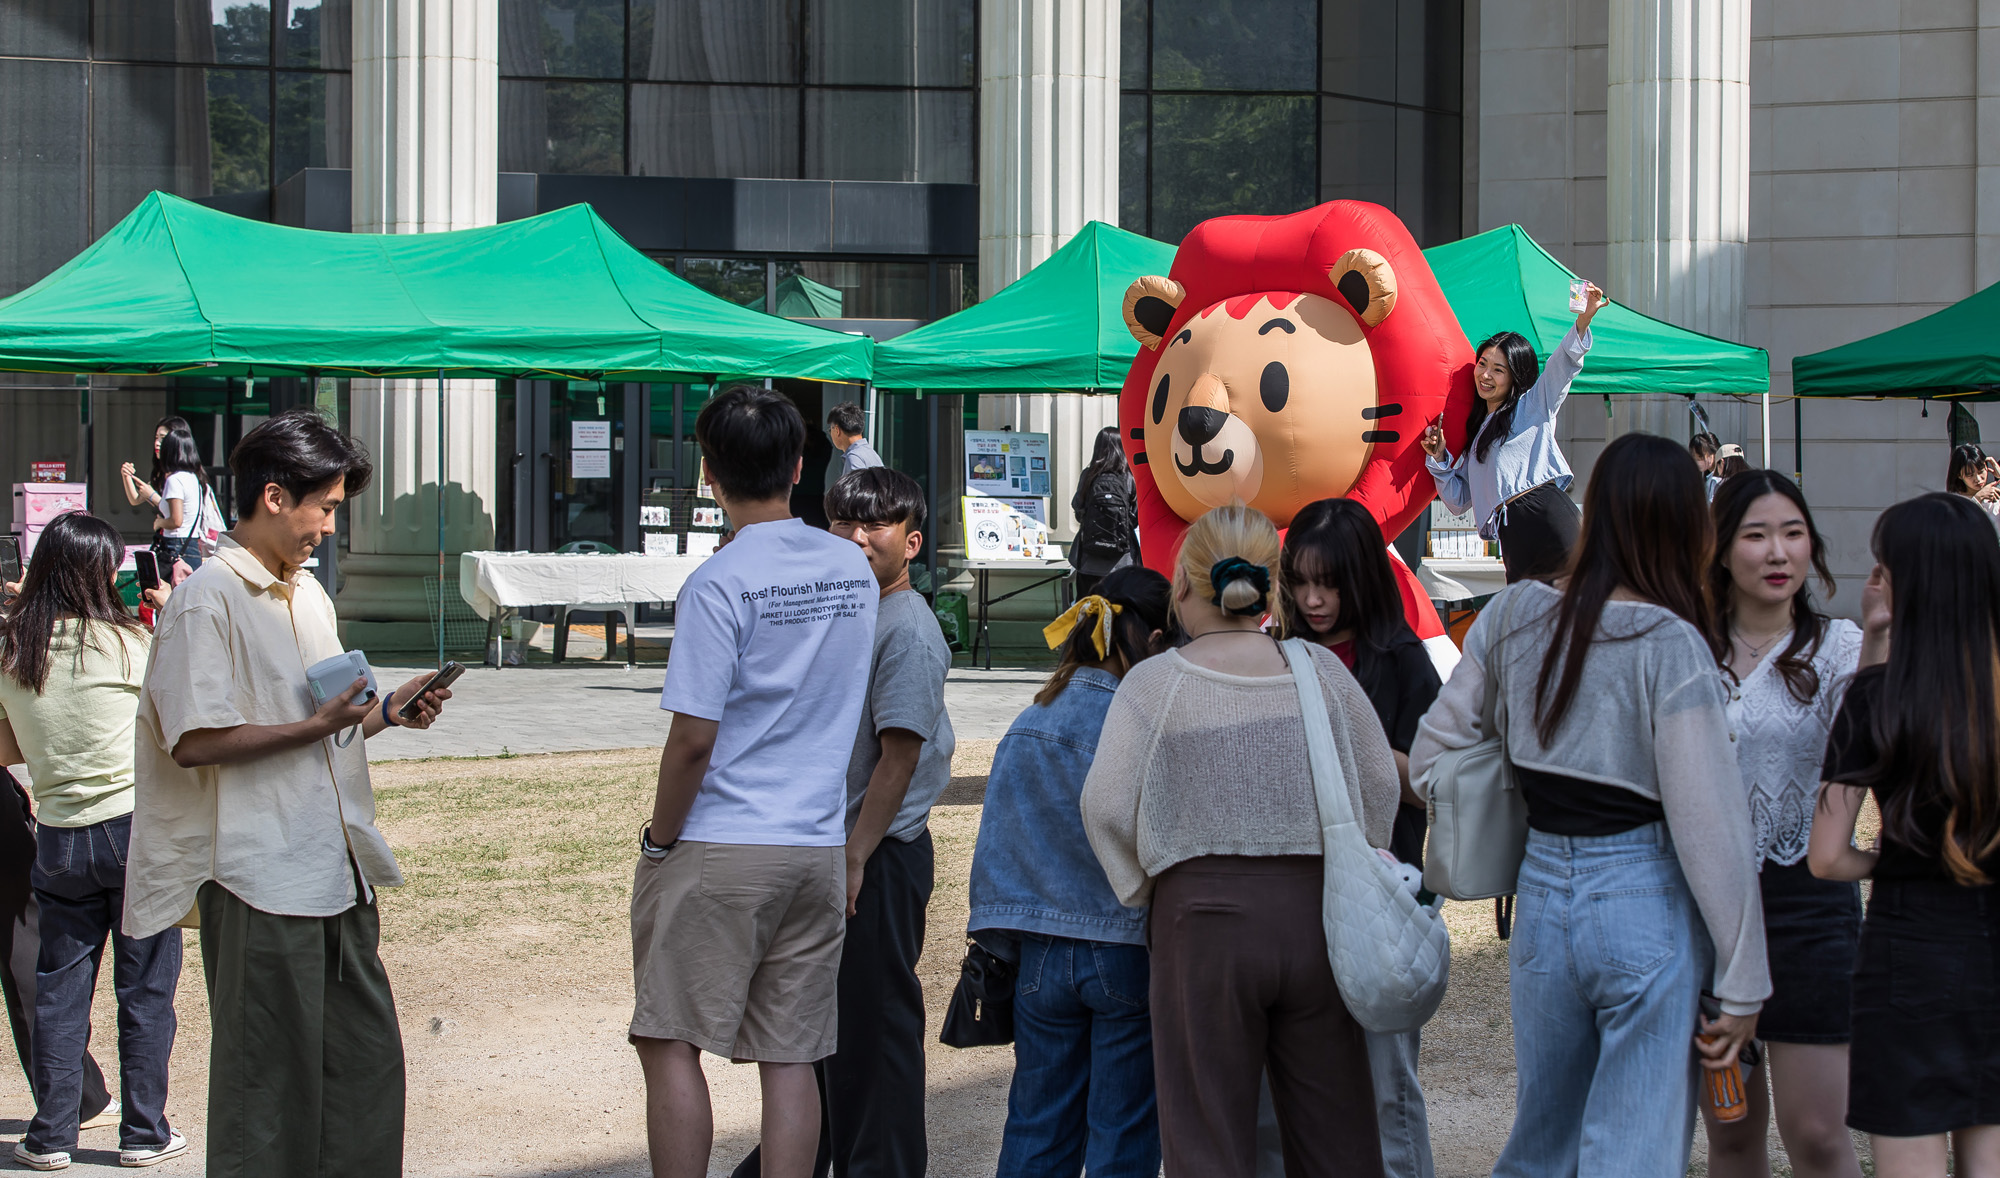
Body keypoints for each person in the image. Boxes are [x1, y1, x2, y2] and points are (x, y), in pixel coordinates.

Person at [1411, 431, 1768, 1178]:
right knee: (1630, 1149)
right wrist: (1742, 977)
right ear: (1684, 523)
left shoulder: (1512, 617)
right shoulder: (1670, 642)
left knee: (1544, 1141)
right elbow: (1710, 827)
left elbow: (1432, 756)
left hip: (1542, 891)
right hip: (1646, 890)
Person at [123, 408, 454, 1178]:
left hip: (336, 868)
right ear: (275, 497)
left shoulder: (307, 595)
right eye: (327, 507)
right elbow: (193, 740)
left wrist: (386, 713)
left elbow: (327, 719)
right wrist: (318, 727)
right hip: (257, 879)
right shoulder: (209, 599)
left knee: (364, 1077)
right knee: (267, 1095)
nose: (330, 528)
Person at [1082, 505, 1402, 1177]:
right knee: (1336, 1131)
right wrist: (1357, 855)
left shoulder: (1154, 683)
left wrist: (1145, 886)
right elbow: (1379, 779)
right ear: (1273, 586)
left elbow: (1104, 804)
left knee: (1207, 1137)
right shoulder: (1319, 670)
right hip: (1317, 914)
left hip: (1199, 921)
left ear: (1183, 588)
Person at [634, 385, 879, 1178]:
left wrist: (658, 839)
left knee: (669, 1037)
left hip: (724, 839)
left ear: (708, 474)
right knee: (792, 1052)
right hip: (814, 842)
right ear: (802, 466)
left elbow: (692, 741)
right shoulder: (850, 567)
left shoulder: (718, 581)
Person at [732, 466, 954, 1178]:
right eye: (843, 523)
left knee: (875, 1036)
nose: (856, 538)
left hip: (879, 854)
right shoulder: (850, 608)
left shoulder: (908, 628)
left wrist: (856, 857)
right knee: (829, 1035)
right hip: (836, 848)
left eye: (875, 525)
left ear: (912, 541)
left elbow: (899, 756)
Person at [1811, 491, 2000, 1177]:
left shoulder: (1876, 693)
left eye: (1883, 567)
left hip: (1908, 955)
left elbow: (1827, 857)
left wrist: (1892, 861)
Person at [968, 566, 1173, 1178]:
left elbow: (997, 848)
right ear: (1153, 642)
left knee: (1037, 1124)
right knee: (1123, 1132)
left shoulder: (1031, 721)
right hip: (1124, 948)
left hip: (1039, 958)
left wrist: (999, 945)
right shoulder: (1140, 726)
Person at [1, 512, 183, 1171]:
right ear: (97, 571)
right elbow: (177, 720)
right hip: (135, 831)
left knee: (59, 990)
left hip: (58, 837)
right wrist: (173, 610)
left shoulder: (14, 652)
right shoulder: (128, 643)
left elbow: (6, 745)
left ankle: (51, 1137)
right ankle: (143, 1132)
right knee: (144, 990)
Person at [1699, 472, 1868, 1178]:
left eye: (1793, 534)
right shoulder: (1686, 651)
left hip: (1809, 908)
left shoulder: (1843, 649)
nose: (1778, 553)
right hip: (1707, 911)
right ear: (1721, 551)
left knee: (1819, 1136)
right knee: (1733, 1139)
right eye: (1757, 535)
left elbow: (1870, 761)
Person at [1278, 496, 1441, 1178]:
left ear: (1363, 578)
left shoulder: (1402, 658)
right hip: (1292, 894)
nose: (1314, 600)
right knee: (1295, 1084)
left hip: (1383, 891)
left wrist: (1351, 744)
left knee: (1385, 1090)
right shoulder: (1277, 656)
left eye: (1330, 582)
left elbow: (1436, 781)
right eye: (1301, 582)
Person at [1419, 282, 1606, 583]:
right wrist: (1439, 457)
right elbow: (1457, 501)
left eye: (1498, 369)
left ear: (1515, 377)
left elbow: (1563, 365)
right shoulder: (1477, 435)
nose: (1485, 375)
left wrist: (1583, 321)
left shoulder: (1532, 404)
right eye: (1482, 364)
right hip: (1511, 533)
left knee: (1578, 610)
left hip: (1548, 515)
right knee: (1527, 620)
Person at [1070, 426, 1140, 598]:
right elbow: (1137, 517)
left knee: (1088, 609)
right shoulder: (1130, 478)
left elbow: (1078, 509)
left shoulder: (1088, 475)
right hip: (1123, 561)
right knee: (1121, 610)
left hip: (1088, 559)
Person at [144, 429, 217, 573]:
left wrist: (159, 523)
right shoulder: (193, 478)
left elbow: (176, 521)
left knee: (166, 593)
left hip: (175, 546)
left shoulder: (174, 480)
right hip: (192, 547)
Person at [117, 415, 192, 511]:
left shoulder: (182, 476)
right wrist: (126, 475)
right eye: (156, 437)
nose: (157, 443)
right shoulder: (163, 473)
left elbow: (176, 516)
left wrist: (152, 495)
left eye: (163, 438)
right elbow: (135, 499)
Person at [1945, 441, 2000, 515]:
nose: (1978, 479)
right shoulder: (1953, 502)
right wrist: (1978, 498)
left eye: (1981, 472)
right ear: (1959, 475)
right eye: (1970, 475)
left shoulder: (1995, 494)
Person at [828, 402, 883, 474]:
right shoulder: (872, 454)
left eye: (830, 430)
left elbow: (858, 485)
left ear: (837, 430)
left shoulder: (854, 457)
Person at [1690, 432, 1722, 500]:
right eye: (1695, 458)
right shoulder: (1706, 479)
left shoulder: (1720, 480)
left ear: (1714, 452)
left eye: (1700, 457)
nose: (1698, 461)